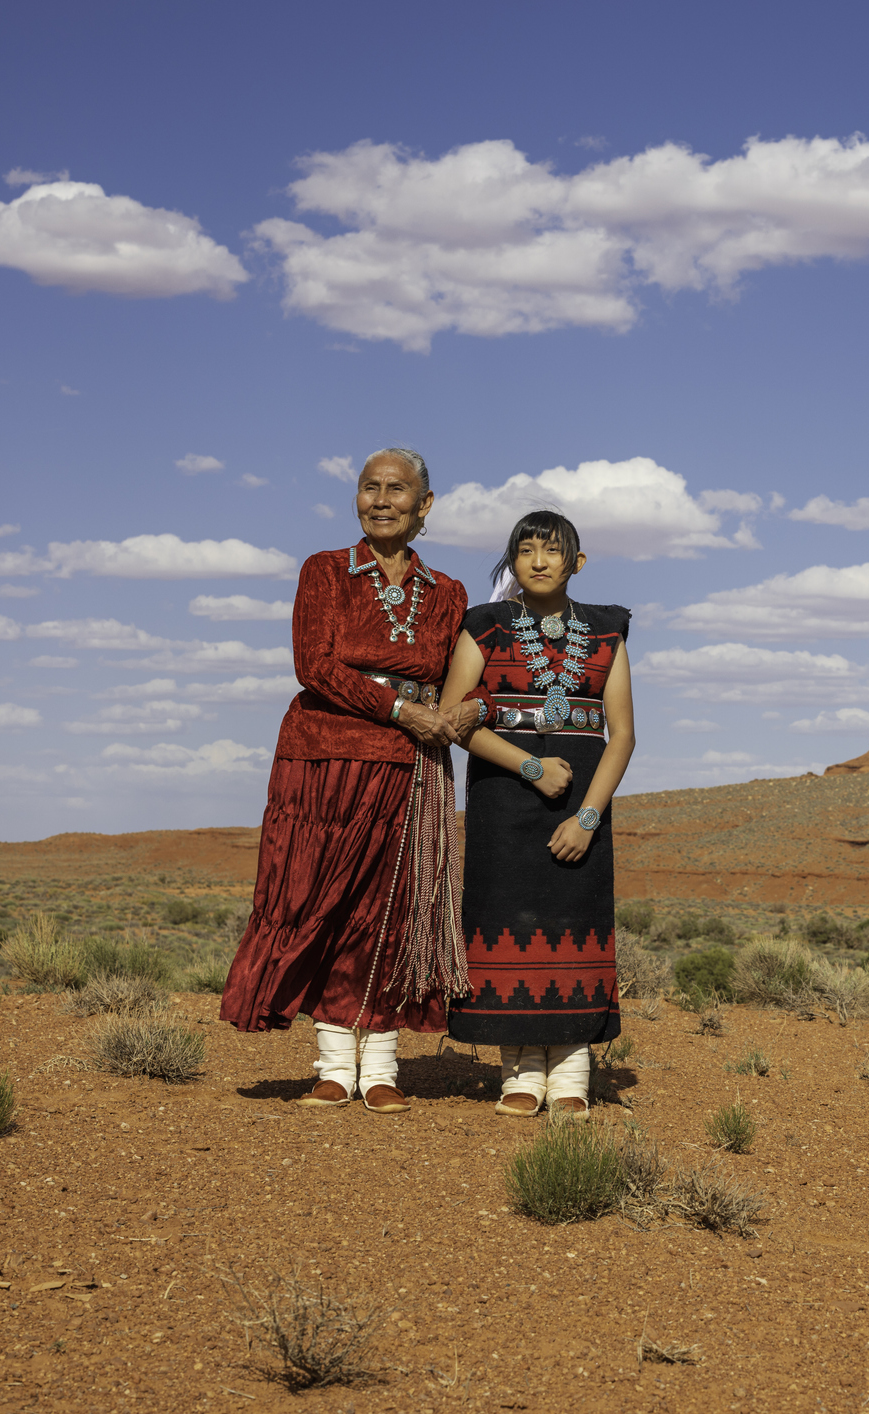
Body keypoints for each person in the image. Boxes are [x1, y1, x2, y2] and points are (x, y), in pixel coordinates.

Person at [219, 448, 476, 1114]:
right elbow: (315, 666)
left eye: (397, 489)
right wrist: (400, 710)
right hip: (325, 761)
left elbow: (464, 682)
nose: (382, 499)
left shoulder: (448, 593)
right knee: (320, 904)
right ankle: (334, 1065)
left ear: (425, 505)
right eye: (370, 488)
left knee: (389, 911)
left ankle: (382, 1066)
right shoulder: (326, 572)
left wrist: (465, 712)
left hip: (411, 768)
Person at [439, 509, 636, 1115]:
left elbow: (622, 735)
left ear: (576, 563)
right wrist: (529, 767)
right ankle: (519, 1075)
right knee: (508, 927)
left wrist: (588, 819)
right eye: (525, 551)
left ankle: (572, 1072)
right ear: (512, 562)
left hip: (581, 808)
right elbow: (451, 719)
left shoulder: (607, 631)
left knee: (574, 927)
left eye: (553, 551)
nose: (539, 561)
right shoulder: (483, 627)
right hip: (503, 806)